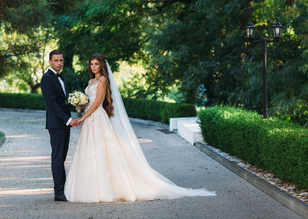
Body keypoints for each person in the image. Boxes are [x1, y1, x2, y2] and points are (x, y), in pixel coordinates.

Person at [64, 53, 216, 203]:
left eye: (96, 64)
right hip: (90, 118)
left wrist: (83, 118)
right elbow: (90, 101)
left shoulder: (102, 80)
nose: (94, 66)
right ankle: (91, 186)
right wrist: (81, 105)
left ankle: (107, 188)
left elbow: (97, 102)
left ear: (102, 65)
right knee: (89, 149)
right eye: (91, 64)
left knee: (102, 150)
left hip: (97, 118)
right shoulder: (91, 81)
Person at [40, 50, 78, 202]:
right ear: (50, 61)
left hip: (63, 124)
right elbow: (52, 104)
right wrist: (68, 120)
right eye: (56, 60)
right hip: (57, 124)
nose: (59, 63)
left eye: (61, 60)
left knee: (61, 157)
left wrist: (77, 106)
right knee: (57, 158)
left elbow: (62, 101)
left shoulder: (60, 77)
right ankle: (59, 192)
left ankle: (64, 189)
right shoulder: (47, 78)